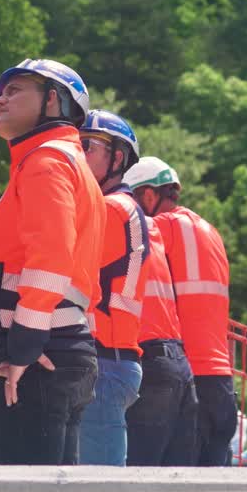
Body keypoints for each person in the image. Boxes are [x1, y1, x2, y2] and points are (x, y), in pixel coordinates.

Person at [0, 59, 105, 465]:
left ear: (52, 100)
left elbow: (51, 259)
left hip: (32, 359)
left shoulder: (46, 162)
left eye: (15, 89)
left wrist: (24, 346)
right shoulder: (67, 164)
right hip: (60, 350)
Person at [137, 158, 235, 466]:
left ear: (150, 197)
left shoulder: (156, 228)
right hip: (221, 379)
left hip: (187, 378)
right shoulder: (211, 232)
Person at [76, 111, 147, 466]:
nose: (77, 152)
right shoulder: (125, 207)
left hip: (104, 360)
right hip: (114, 359)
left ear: (118, 158)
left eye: (87, 145)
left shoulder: (108, 208)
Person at [122, 156, 199, 466]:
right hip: (181, 364)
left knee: (140, 473)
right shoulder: (192, 229)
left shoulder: (145, 227)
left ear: (149, 196)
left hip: (150, 361)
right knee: (176, 478)